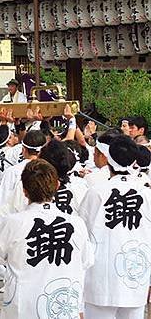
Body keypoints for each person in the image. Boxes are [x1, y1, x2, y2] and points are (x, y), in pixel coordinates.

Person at [0, 159, 93, 318]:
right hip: (62, 305)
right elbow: (86, 261)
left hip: (24, 306)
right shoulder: (76, 224)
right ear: (57, 186)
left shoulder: (13, 222)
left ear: (24, 191)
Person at [80, 135, 151, 318]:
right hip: (136, 273)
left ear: (108, 159)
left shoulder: (96, 193)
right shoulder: (146, 194)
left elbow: (82, 233)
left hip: (101, 276)